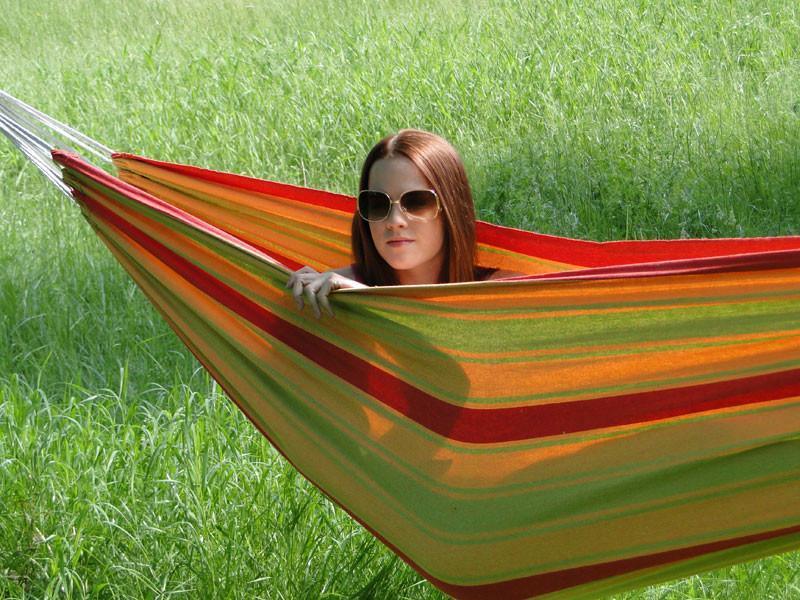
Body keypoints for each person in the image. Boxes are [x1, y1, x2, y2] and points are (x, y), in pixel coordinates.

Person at [286, 129, 519, 317]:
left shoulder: (505, 296)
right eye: (377, 203)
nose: (394, 221)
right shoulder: (333, 294)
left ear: (451, 208)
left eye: (417, 202)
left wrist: (373, 303)